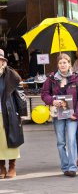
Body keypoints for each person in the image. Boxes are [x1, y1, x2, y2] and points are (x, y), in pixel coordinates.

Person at [41, 53, 78, 177]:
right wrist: (52, 100)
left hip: (72, 116)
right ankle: (65, 167)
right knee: (61, 142)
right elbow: (44, 94)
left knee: (71, 140)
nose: (63, 65)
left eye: (65, 62)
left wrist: (76, 114)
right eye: (60, 63)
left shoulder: (76, 78)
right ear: (58, 65)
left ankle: (72, 167)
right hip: (57, 115)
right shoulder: (51, 78)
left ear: (69, 64)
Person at [0, 49, 26, 179]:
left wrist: (22, 112)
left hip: (9, 113)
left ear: (3, 61)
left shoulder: (12, 75)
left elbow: (20, 94)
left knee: (11, 139)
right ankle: (1, 167)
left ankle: (12, 166)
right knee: (0, 142)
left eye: (0, 60)